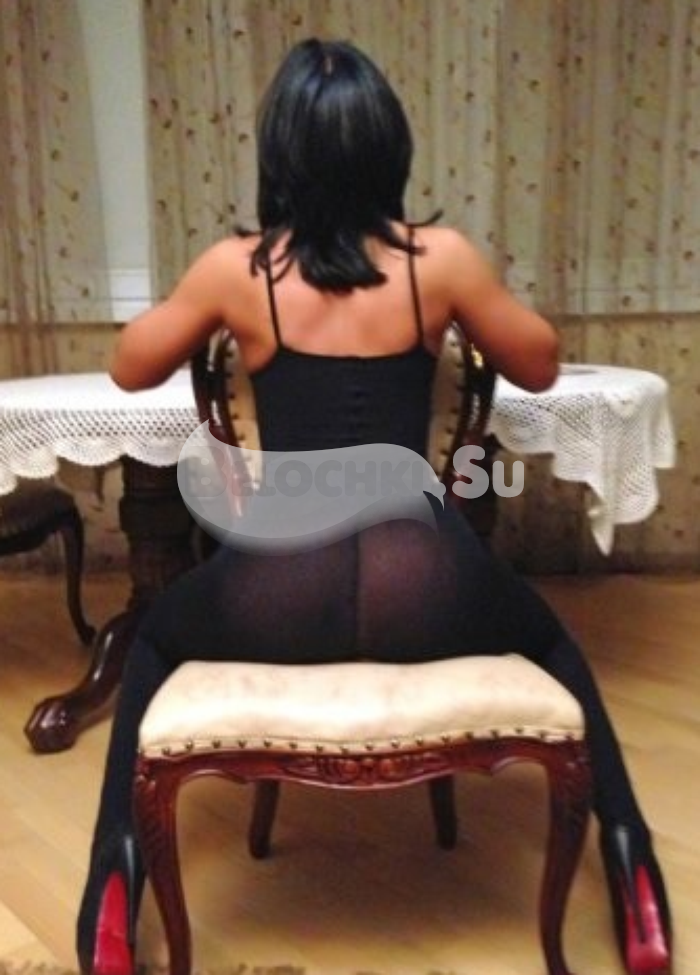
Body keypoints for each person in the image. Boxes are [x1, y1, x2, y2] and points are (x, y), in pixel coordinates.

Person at [77, 38, 672, 975]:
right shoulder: (441, 260)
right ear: (389, 148)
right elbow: (540, 363)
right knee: (557, 648)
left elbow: (128, 367)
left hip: (278, 585)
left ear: (280, 153)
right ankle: (636, 879)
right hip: (420, 579)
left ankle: (111, 901)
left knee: (151, 644)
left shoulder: (240, 269)